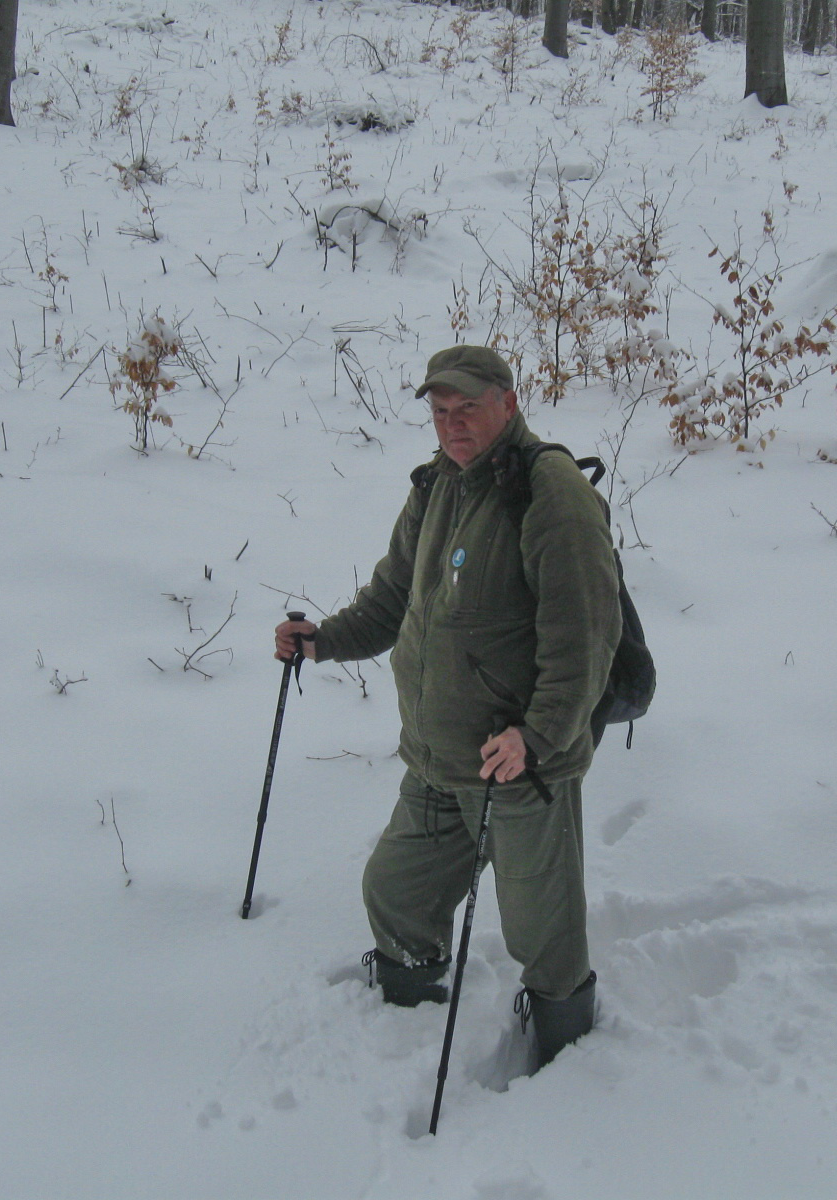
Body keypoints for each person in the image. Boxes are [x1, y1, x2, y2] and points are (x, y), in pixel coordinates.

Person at [273, 345, 621, 1068]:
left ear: (508, 403)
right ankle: (407, 1020)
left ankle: (571, 1061)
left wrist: (538, 735)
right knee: (396, 894)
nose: (453, 424)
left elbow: (585, 637)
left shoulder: (548, 490)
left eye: (468, 408)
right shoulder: (437, 486)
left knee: (543, 935)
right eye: (439, 411)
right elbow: (393, 600)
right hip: (437, 761)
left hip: (518, 766)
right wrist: (320, 642)